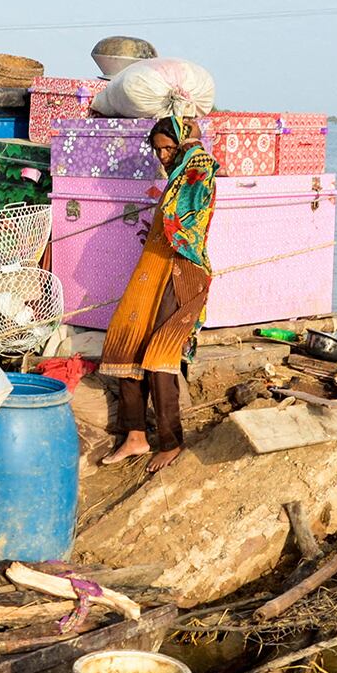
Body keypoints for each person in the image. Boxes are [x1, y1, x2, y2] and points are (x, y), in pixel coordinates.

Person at [97, 115, 217, 473]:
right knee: (126, 344)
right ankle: (135, 436)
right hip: (155, 264)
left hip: (183, 270)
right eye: (157, 149)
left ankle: (171, 441)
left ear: (181, 143)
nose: (162, 155)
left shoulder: (198, 166)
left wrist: (192, 140)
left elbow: (182, 216)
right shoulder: (178, 172)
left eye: (168, 148)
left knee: (160, 354)